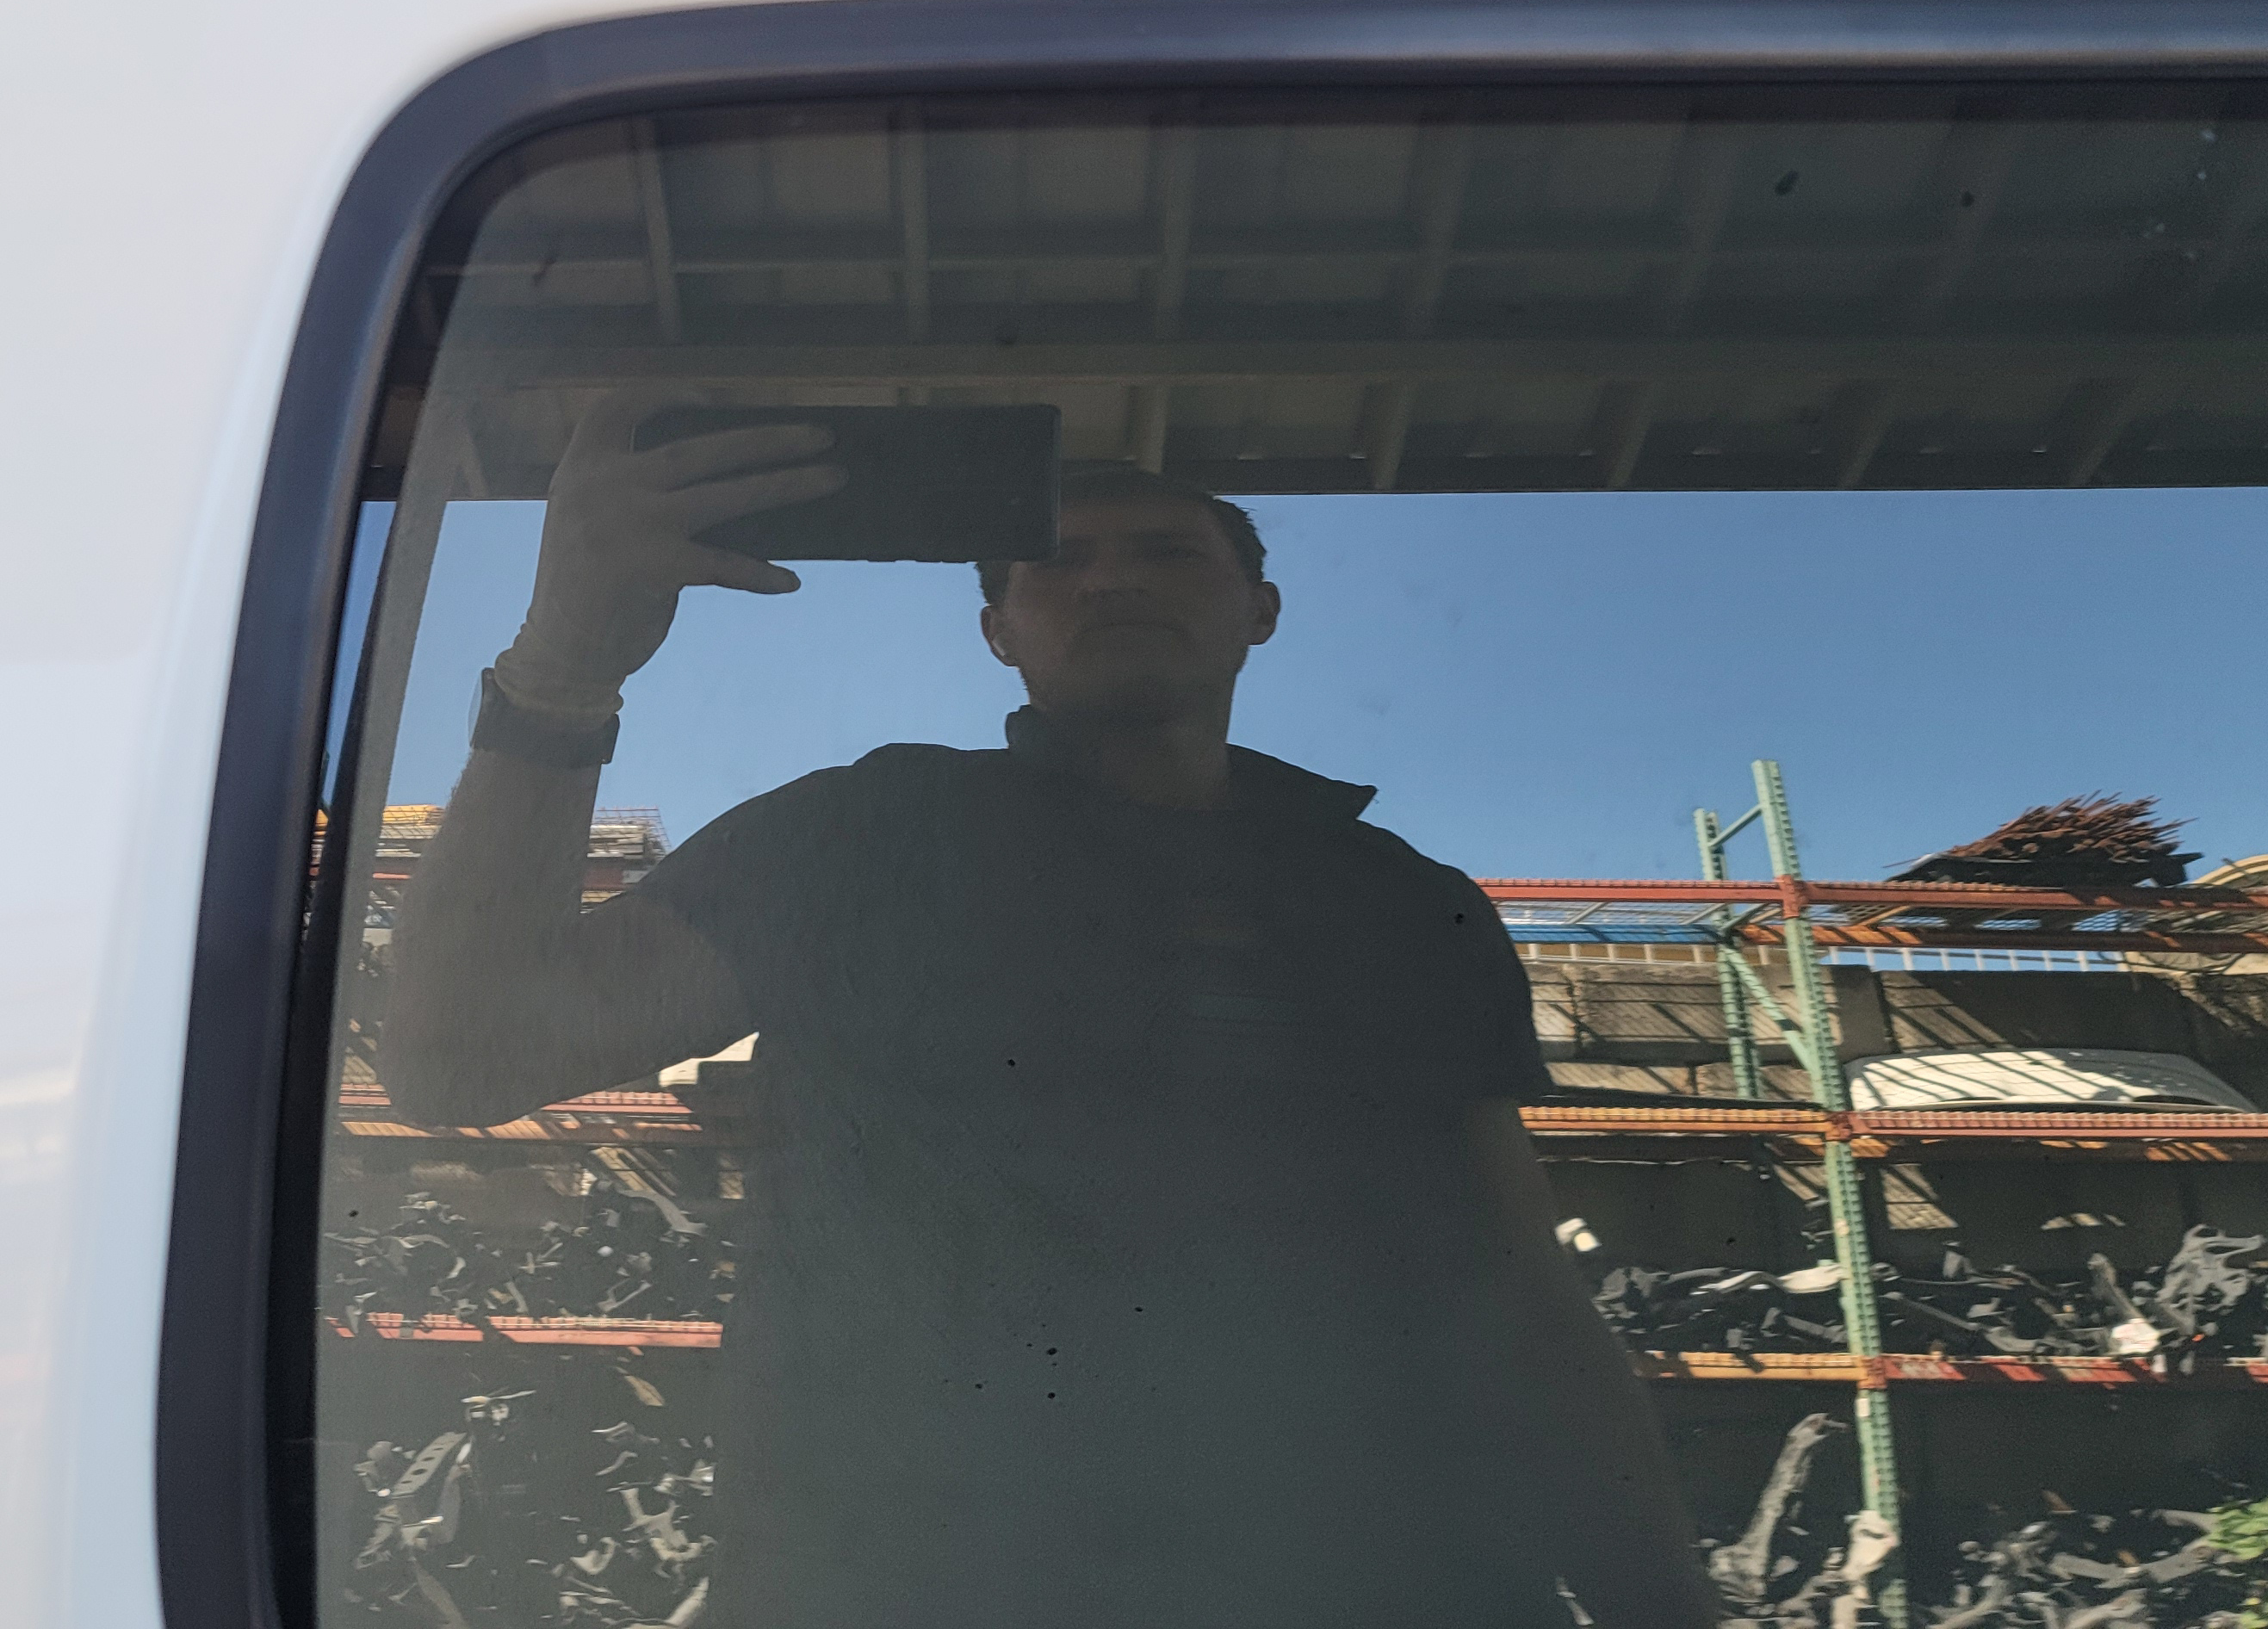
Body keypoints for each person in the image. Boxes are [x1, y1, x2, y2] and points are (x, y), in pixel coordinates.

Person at [379, 395, 1716, 1629]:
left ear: (1260, 609)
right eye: (1059, 560)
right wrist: (564, 662)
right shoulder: (862, 842)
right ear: (998, 631)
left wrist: (1662, 1608)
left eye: (1166, 552)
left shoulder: (1409, 905)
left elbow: (1526, 1301)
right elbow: (457, 1060)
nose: (1113, 578)